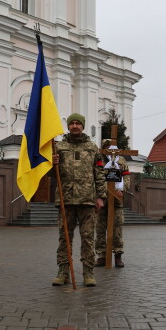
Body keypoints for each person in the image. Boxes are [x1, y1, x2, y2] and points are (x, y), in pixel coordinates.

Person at [51, 113, 106, 287]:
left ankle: (88, 273)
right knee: (64, 238)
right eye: (72, 123)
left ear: (82, 126)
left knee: (88, 238)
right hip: (66, 199)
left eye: (78, 123)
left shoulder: (92, 148)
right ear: (68, 126)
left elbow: (99, 173)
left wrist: (100, 196)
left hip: (87, 200)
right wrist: (51, 164)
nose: (75, 126)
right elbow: (51, 175)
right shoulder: (59, 147)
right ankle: (63, 272)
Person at [95, 139, 130, 267]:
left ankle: (118, 255)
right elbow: (96, 177)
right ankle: (101, 255)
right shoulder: (99, 159)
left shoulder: (120, 161)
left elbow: (126, 176)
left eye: (112, 146)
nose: (110, 149)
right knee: (99, 229)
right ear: (104, 148)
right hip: (102, 200)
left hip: (116, 201)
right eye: (107, 147)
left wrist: (123, 189)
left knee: (117, 230)